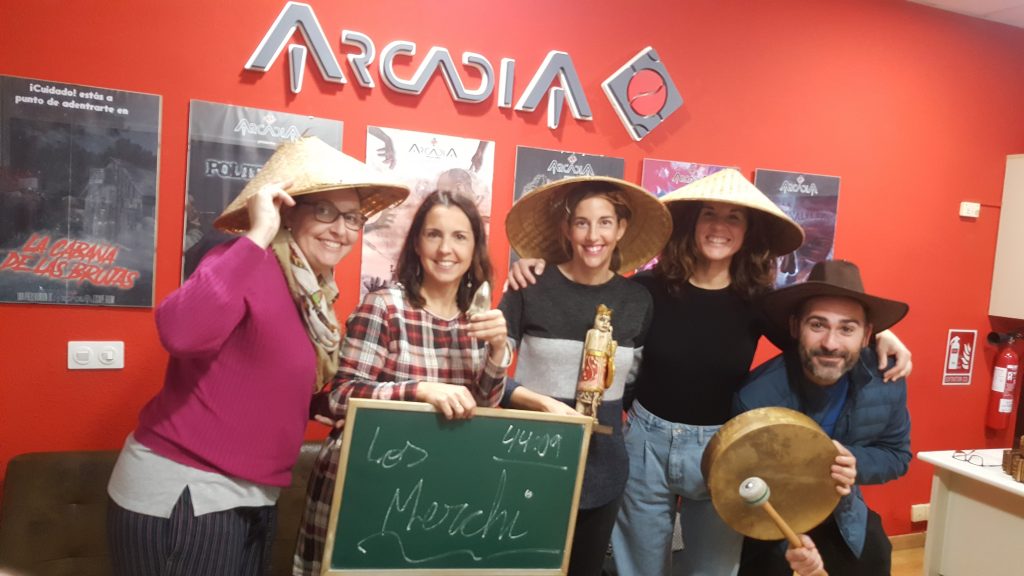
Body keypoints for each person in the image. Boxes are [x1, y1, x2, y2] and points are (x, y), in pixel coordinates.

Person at [507, 168, 912, 576]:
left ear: (748, 232)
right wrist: (537, 267)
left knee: (714, 570)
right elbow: (589, 300)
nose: (720, 227)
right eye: (709, 215)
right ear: (691, 224)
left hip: (722, 448)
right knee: (639, 570)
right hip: (647, 444)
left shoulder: (758, 301)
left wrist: (880, 336)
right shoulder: (648, 289)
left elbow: (816, 337)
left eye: (733, 217)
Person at [105, 136, 408, 576]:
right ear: (289, 211)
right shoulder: (244, 259)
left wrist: (337, 405)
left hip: (252, 496)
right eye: (325, 211)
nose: (340, 230)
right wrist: (258, 233)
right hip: (187, 493)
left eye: (352, 218)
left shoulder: (310, 294)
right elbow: (180, 332)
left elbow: (263, 384)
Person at [293, 189, 511, 575]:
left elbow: (483, 409)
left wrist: (497, 350)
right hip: (367, 486)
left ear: (474, 248)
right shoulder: (384, 306)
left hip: (434, 494)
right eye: (434, 234)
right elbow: (342, 395)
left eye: (460, 237)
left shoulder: (476, 318)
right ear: (416, 243)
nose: (446, 249)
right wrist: (419, 390)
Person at [499, 176, 672, 576]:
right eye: (581, 223)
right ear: (566, 229)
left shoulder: (636, 300)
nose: (593, 236)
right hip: (528, 459)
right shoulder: (531, 284)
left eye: (605, 222)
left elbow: (631, 380)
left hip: (604, 467)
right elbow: (491, 372)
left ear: (621, 228)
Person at [734, 259, 912, 576]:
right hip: (774, 512)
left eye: (847, 329)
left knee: (874, 556)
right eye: (817, 325)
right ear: (795, 327)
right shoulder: (755, 397)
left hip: (842, 510)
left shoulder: (887, 381)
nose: (831, 343)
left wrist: (855, 462)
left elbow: (897, 455)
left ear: (867, 335)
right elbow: (742, 484)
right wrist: (791, 540)